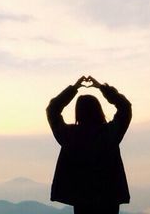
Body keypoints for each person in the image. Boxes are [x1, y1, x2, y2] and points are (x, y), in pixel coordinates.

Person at [46, 75, 132, 214]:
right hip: (109, 197)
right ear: (99, 110)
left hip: (82, 197)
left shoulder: (70, 136)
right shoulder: (110, 133)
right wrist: (102, 88)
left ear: (78, 113)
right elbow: (125, 107)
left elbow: (52, 109)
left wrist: (74, 88)